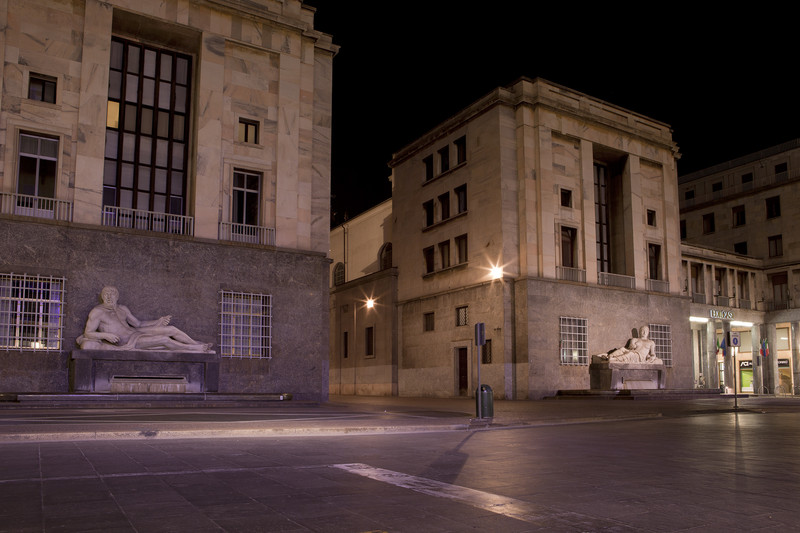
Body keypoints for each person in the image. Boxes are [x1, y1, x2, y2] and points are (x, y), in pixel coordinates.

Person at [77, 286, 213, 352]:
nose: (109, 297)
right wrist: (105, 335)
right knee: (164, 340)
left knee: (171, 329)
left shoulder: (122, 309)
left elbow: (138, 323)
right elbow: (88, 333)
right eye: (106, 294)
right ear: (102, 297)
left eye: (112, 294)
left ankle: (195, 343)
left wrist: (158, 321)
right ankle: (194, 349)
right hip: (126, 341)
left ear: (116, 296)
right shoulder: (97, 312)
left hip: (135, 332)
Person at [597, 325, 661, 364]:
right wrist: (632, 344)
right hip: (633, 352)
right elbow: (630, 348)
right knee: (622, 349)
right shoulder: (635, 339)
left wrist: (652, 357)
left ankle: (614, 359)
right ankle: (609, 356)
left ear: (648, 332)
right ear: (639, 332)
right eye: (642, 330)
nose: (644, 332)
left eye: (646, 331)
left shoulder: (651, 342)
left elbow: (652, 353)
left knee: (631, 354)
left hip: (640, 357)